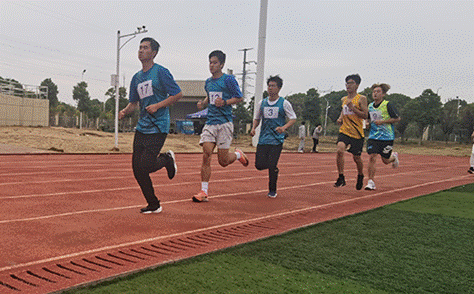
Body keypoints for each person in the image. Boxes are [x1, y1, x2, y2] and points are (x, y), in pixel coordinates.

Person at [118, 37, 183, 214]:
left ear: (153, 53)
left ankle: (167, 159)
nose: (141, 50)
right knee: (137, 169)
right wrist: (124, 112)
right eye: (139, 47)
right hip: (142, 127)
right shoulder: (136, 78)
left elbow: (177, 94)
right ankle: (153, 204)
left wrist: (158, 105)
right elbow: (133, 103)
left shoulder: (161, 72)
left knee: (146, 164)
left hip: (158, 125)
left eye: (145, 48)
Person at [192, 50, 249, 202]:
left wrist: (224, 102)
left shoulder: (229, 80)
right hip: (210, 122)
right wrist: (203, 103)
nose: (211, 65)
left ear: (222, 64)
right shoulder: (208, 82)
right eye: (210, 62)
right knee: (206, 154)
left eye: (215, 62)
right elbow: (209, 95)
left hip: (224, 123)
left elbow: (239, 98)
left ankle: (237, 155)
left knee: (223, 162)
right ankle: (204, 191)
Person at [250, 75, 297, 198]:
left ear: (279, 88)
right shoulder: (262, 103)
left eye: (273, 86)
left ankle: (272, 190)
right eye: (269, 86)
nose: (270, 88)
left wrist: (283, 128)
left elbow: (293, 118)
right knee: (259, 165)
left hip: (276, 140)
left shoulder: (284, 103)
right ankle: (273, 167)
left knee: (271, 165)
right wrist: (254, 128)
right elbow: (257, 118)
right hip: (263, 139)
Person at [334, 74, 368, 190]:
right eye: (347, 83)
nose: (348, 85)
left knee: (357, 158)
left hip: (357, 133)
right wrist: (340, 118)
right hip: (344, 130)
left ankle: (360, 175)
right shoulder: (344, 99)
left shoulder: (361, 98)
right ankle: (341, 177)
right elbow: (344, 111)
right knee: (339, 150)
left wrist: (353, 108)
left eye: (351, 83)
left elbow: (365, 115)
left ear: (357, 85)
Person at [364, 83, 401, 190]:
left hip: (387, 137)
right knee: (372, 157)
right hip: (373, 136)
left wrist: (383, 121)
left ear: (383, 94)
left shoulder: (388, 105)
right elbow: (367, 118)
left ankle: (393, 157)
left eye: (378, 92)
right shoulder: (370, 106)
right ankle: (370, 182)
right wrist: (366, 123)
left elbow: (397, 118)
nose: (375, 94)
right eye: (374, 92)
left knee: (385, 161)